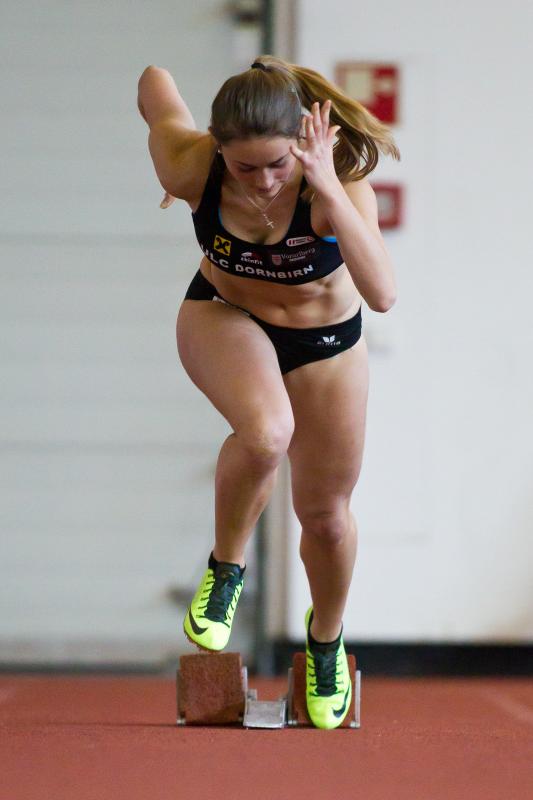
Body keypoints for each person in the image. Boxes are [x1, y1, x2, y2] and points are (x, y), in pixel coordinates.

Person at [137, 55, 399, 729]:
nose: (262, 182)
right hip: (226, 314)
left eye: (278, 164)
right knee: (265, 433)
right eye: (244, 167)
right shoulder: (191, 166)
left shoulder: (337, 183)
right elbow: (154, 84)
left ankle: (325, 640)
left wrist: (327, 186)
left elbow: (382, 294)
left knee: (326, 515)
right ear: (218, 147)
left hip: (325, 343)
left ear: (303, 141)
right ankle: (226, 570)